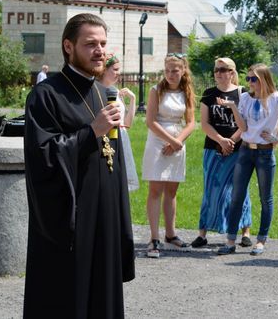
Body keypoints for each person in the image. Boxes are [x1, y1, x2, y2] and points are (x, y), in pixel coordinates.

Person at [23, 13, 134, 318]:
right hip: (71, 223)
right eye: (90, 44)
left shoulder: (102, 93)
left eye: (103, 44)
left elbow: (113, 157)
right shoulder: (46, 95)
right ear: (68, 46)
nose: (100, 51)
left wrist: (122, 223)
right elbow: (43, 156)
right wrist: (91, 132)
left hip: (105, 218)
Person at [217, 63, 278, 256]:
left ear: (263, 80)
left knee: (265, 198)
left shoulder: (275, 98)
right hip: (245, 151)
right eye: (248, 79)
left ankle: (261, 241)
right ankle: (230, 241)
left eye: (253, 79)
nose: (250, 82)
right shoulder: (245, 97)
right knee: (237, 195)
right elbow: (244, 128)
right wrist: (232, 108)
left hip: (264, 152)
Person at [192, 57, 252, 249]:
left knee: (240, 190)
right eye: (216, 69)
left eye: (223, 69)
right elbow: (205, 123)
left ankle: (245, 231)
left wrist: (232, 141)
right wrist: (221, 141)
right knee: (210, 188)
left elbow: (247, 123)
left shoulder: (243, 93)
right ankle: (203, 232)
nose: (219, 73)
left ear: (232, 72)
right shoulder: (209, 94)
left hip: (239, 150)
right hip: (213, 149)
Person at [142, 53, 196, 258]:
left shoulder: (187, 91)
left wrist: (178, 141)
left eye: (175, 70)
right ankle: (154, 238)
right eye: (168, 70)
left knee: (172, 190)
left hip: (177, 141)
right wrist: (170, 141)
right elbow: (150, 121)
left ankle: (170, 234)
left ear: (183, 71)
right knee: (156, 189)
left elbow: (191, 122)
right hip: (158, 140)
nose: (171, 74)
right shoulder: (156, 91)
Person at [99, 53, 139, 192]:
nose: (118, 73)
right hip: (108, 138)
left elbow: (126, 124)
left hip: (122, 136)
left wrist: (132, 100)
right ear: (104, 69)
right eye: (115, 69)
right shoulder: (98, 91)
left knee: (121, 184)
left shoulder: (115, 91)